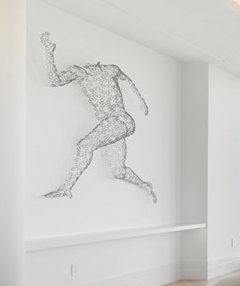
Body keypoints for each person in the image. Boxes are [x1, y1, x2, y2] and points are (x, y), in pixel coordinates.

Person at [40, 31, 156, 202]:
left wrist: (141, 101)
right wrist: (49, 52)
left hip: (119, 120)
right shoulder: (80, 73)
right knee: (118, 171)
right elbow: (55, 81)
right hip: (115, 124)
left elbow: (128, 80)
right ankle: (145, 185)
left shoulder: (109, 69)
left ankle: (66, 187)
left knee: (85, 145)